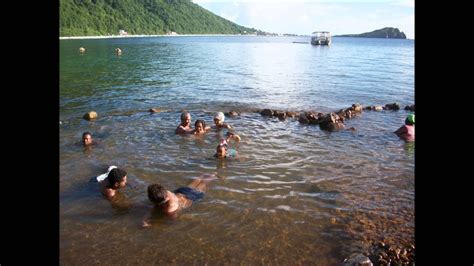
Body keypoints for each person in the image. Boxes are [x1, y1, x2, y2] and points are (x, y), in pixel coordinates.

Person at [143, 174, 216, 224]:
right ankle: (210, 174)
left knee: (204, 183)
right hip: (182, 191)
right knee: (199, 179)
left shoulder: (170, 208)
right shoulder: (165, 192)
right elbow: (156, 206)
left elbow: (173, 220)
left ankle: (214, 174)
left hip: (191, 196)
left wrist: (152, 222)